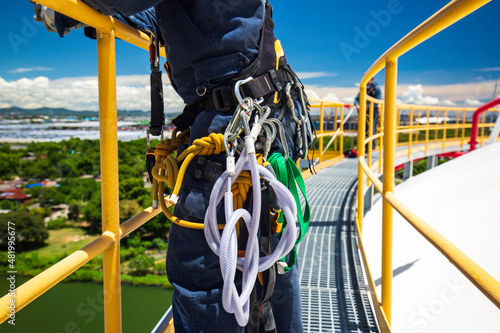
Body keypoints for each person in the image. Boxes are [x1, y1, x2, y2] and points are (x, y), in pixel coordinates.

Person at [33, 1, 308, 332]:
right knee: (270, 247)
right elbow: (167, 13)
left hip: (232, 130)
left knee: (201, 274)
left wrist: (60, 8)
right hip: (260, 119)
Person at [354, 77, 382, 150]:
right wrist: (357, 105)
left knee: (371, 130)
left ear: (371, 79)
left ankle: (371, 148)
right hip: (364, 114)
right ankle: (364, 148)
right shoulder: (364, 89)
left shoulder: (376, 89)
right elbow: (357, 99)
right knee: (363, 130)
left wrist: (368, 106)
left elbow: (377, 101)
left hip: (373, 113)